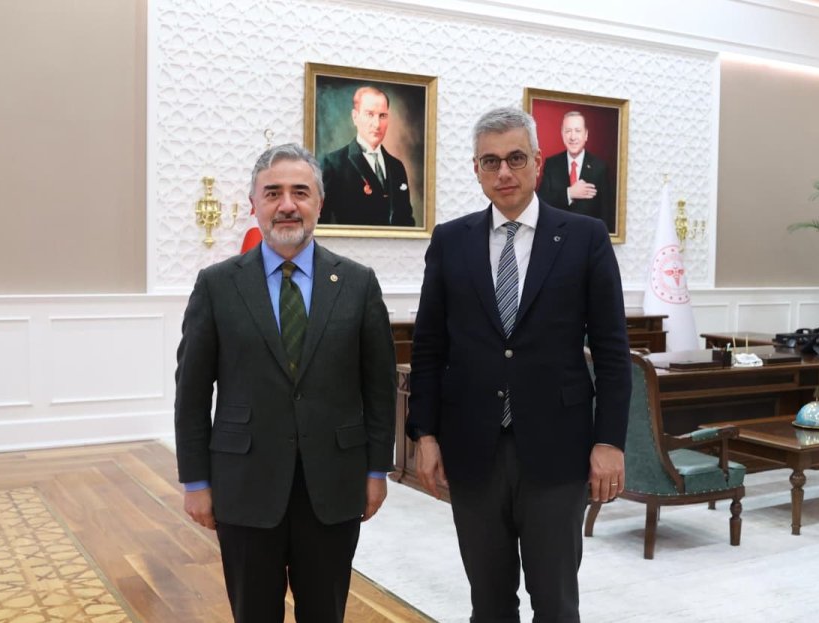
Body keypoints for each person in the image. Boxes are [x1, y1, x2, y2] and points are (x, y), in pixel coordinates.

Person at [407, 107, 631, 622]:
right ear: (476, 169)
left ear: (537, 162)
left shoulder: (585, 238)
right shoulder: (451, 240)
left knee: (555, 603)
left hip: (558, 451)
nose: (503, 172)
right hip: (472, 450)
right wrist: (426, 434)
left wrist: (609, 441)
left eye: (515, 158)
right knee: (488, 603)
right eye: (490, 161)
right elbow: (429, 348)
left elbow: (612, 351)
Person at [174, 143, 396, 622]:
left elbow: (379, 389)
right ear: (254, 204)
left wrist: (377, 471)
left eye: (300, 192)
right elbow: (191, 393)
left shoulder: (358, 284)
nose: (287, 205)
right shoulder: (217, 285)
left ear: (320, 202)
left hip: (333, 487)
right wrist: (195, 480)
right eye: (273, 193)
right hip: (245, 486)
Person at [319, 86, 416, 227]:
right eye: (370, 114)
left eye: (382, 116)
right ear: (355, 117)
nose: (377, 124)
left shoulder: (397, 167)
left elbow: (407, 222)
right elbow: (322, 224)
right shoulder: (333, 164)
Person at [536, 111, 616, 233]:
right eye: (568, 131)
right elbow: (541, 202)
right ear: (562, 134)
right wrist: (569, 193)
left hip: (588, 238)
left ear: (586, 135)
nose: (572, 137)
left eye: (578, 131)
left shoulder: (600, 168)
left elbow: (606, 214)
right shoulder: (552, 164)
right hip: (556, 236)